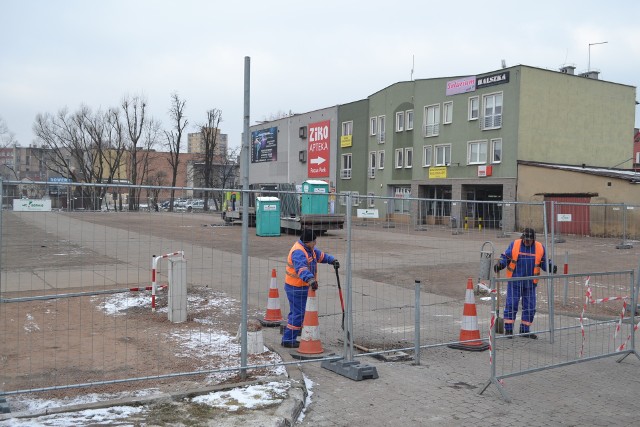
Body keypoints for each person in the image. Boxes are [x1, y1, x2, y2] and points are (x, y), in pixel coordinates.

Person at [493, 228, 557, 339]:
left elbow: (544, 262)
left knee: (530, 307)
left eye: (529, 240)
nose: (527, 242)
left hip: (530, 283)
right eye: (525, 239)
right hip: (515, 281)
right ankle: (508, 330)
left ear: (533, 239)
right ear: (522, 237)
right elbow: (505, 257)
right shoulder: (515, 244)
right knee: (511, 305)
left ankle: (524, 330)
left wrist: (550, 267)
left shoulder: (539, 247)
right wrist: (500, 265)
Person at [282, 228, 339, 348]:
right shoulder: (298, 252)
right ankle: (288, 340)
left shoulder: (309, 249)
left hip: (302, 287)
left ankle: (293, 334)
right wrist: (310, 279)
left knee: (299, 313)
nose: (315, 243)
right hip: (295, 287)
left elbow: (321, 256)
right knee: (299, 313)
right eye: (314, 241)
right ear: (308, 242)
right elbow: (301, 269)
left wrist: (332, 260)